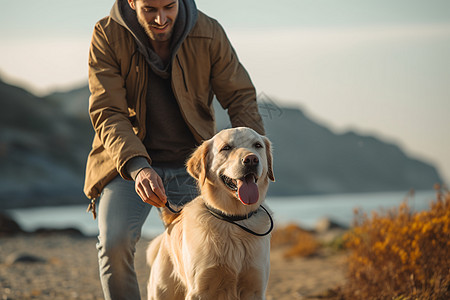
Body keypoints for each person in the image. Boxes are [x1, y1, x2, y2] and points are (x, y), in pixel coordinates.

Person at [83, 0, 265, 299]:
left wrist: (248, 160)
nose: (160, 18)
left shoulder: (209, 32)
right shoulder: (107, 34)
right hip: (126, 164)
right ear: (132, 2)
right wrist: (138, 166)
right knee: (114, 243)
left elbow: (240, 96)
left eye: (169, 6)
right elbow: (107, 110)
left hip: (196, 167)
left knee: (211, 262)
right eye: (149, 9)